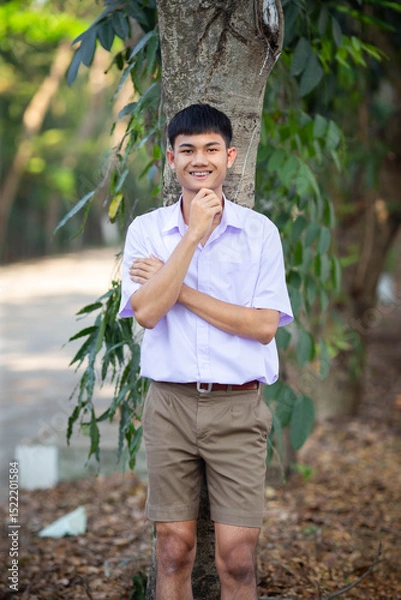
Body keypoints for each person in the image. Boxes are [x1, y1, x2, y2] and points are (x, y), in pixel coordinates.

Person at [119, 103, 293, 600]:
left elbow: (262, 326)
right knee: (174, 548)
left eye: (211, 149)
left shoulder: (259, 233)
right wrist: (193, 235)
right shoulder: (146, 231)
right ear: (170, 159)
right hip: (169, 404)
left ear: (230, 156)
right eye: (188, 149)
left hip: (238, 406)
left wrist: (177, 288)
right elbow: (149, 313)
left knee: (237, 559)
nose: (200, 159)